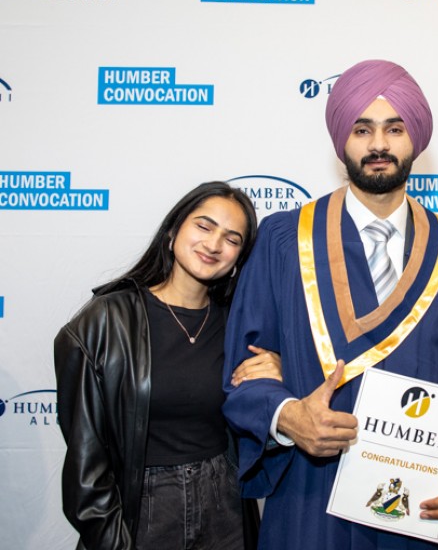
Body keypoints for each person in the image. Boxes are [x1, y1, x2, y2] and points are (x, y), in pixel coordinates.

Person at [223, 59, 438, 550]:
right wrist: (287, 416)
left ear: (415, 137)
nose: (378, 145)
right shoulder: (285, 240)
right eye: (361, 129)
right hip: (311, 498)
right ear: (342, 142)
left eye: (394, 128)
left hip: (418, 508)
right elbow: (242, 376)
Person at [54, 181, 278, 550]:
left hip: (226, 507)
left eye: (232, 238)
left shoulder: (240, 328)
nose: (214, 244)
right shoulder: (105, 322)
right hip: (141, 511)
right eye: (203, 226)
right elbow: (85, 464)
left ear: (240, 255)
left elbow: (261, 439)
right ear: (174, 230)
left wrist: (276, 377)